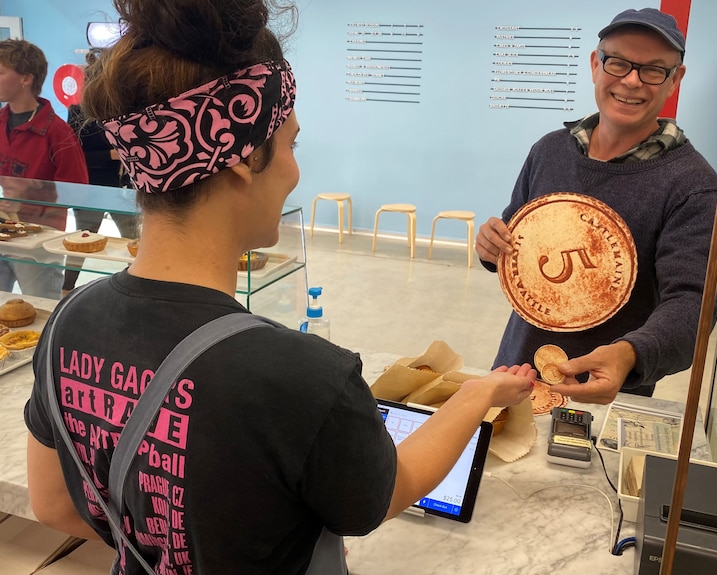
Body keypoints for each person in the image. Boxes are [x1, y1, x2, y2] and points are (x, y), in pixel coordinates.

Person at [24, 1, 535, 573]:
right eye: (290, 143)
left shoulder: (67, 324)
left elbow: (52, 505)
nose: (295, 168)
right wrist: (475, 396)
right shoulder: (301, 376)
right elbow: (390, 489)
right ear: (242, 156)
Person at [476, 8, 717, 405]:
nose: (632, 81)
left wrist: (631, 354)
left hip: (605, 393)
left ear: (676, 79)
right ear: (595, 64)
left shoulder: (692, 185)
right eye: (618, 63)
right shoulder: (551, 150)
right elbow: (513, 239)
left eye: (653, 70)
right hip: (514, 371)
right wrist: (491, 246)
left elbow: (694, 303)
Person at [0, 39, 88, 298]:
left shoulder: (58, 132)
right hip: (4, 231)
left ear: (26, 78)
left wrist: (27, 198)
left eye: (1, 72)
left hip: (39, 240)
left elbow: (78, 192)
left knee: (42, 310)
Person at [63, 48, 138, 295]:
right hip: (91, 190)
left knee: (134, 243)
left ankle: (136, 288)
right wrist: (110, 155)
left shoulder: (127, 110)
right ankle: (66, 288)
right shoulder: (77, 112)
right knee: (79, 243)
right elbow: (74, 156)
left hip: (124, 190)